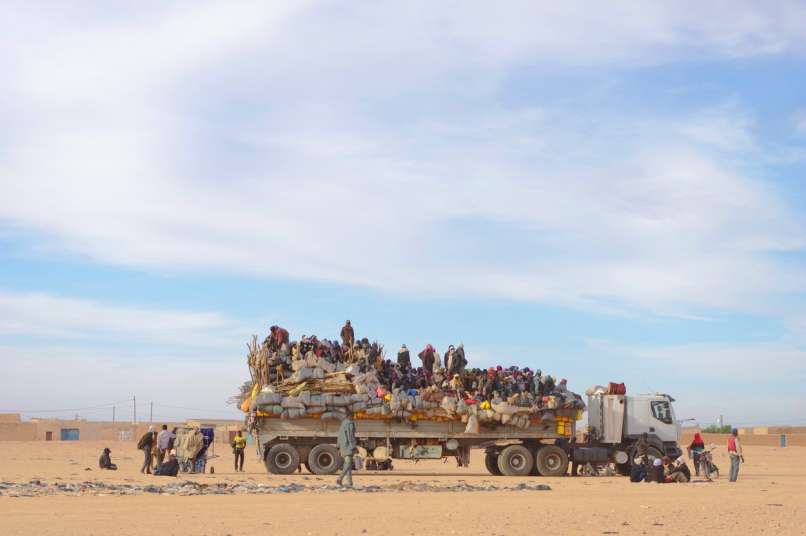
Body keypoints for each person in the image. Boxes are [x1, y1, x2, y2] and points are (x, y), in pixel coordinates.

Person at [336, 413, 357, 488]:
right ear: (350, 417)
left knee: (348, 465)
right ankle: (340, 478)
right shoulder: (350, 424)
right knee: (348, 464)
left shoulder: (342, 425)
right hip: (348, 446)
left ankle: (350, 483)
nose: (354, 418)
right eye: (353, 416)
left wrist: (338, 447)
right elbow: (351, 436)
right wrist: (354, 446)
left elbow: (339, 436)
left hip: (342, 446)